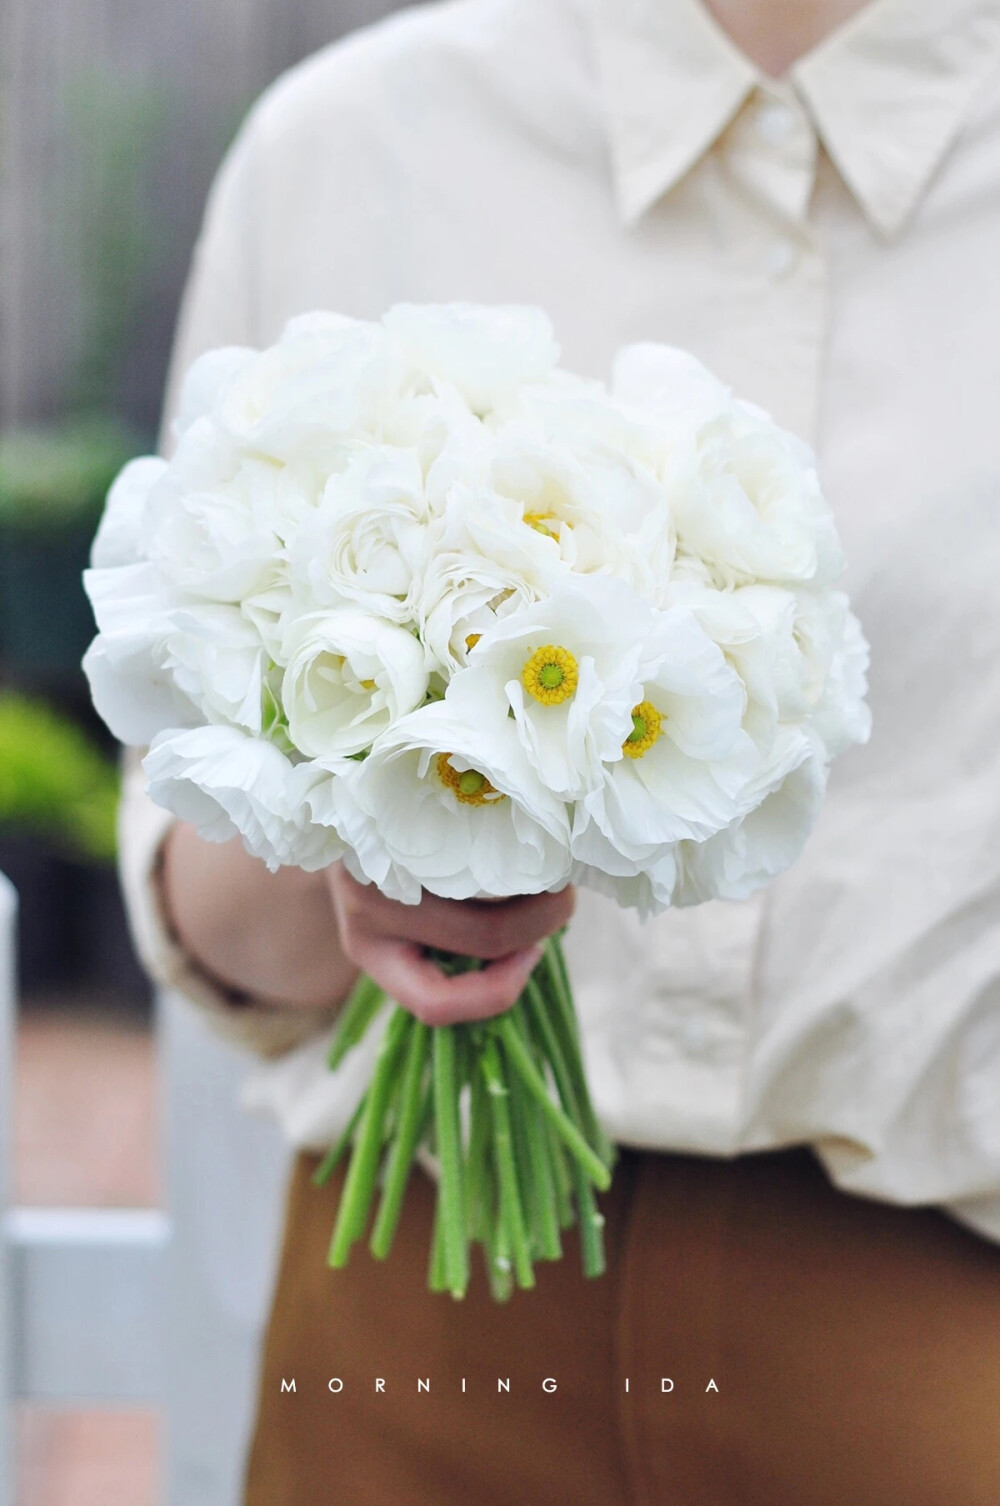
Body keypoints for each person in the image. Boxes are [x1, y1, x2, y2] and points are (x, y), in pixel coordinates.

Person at [120, 0, 1000, 1500]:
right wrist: (370, 840)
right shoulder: (354, 148)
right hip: (414, 1311)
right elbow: (199, 867)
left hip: (937, 1332)